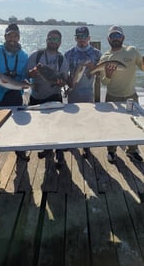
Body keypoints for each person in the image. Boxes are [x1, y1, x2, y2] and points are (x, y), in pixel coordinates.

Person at [100, 25, 144, 163]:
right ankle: (111, 151)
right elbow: (104, 82)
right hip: (112, 97)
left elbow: (142, 68)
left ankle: (131, 150)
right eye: (112, 36)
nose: (115, 38)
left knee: (134, 124)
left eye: (117, 35)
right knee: (112, 125)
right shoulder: (105, 57)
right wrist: (108, 75)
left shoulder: (132, 51)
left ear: (123, 37)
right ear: (108, 39)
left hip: (131, 96)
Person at [0, 23, 29, 172]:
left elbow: (26, 77)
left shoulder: (24, 55)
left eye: (15, 36)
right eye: (10, 35)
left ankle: (20, 151)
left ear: (19, 37)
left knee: (18, 126)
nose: (12, 39)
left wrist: (28, 83)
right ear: (5, 36)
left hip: (14, 94)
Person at [26, 29, 69, 166]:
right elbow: (26, 75)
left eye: (56, 39)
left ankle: (59, 152)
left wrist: (62, 82)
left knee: (58, 126)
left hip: (55, 96)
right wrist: (32, 74)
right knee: (41, 126)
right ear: (46, 40)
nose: (53, 41)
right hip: (36, 97)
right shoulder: (36, 55)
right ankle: (47, 148)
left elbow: (64, 79)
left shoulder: (62, 59)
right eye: (50, 38)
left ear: (60, 42)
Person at [65, 26, 101, 157]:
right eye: (79, 37)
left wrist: (95, 68)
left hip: (87, 93)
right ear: (75, 38)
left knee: (88, 120)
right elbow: (65, 73)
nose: (82, 40)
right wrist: (67, 83)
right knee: (73, 119)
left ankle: (86, 146)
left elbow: (102, 73)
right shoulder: (68, 53)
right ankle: (73, 142)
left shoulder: (97, 53)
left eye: (84, 37)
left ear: (89, 38)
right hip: (73, 92)